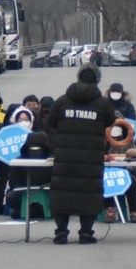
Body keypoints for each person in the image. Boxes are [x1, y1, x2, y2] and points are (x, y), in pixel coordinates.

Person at [47, 63, 113, 244]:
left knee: (62, 192)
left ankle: (61, 232)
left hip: (65, 159)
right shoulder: (102, 104)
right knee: (89, 193)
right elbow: (112, 124)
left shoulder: (61, 101)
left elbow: (49, 123)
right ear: (97, 80)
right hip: (91, 159)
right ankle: (85, 233)